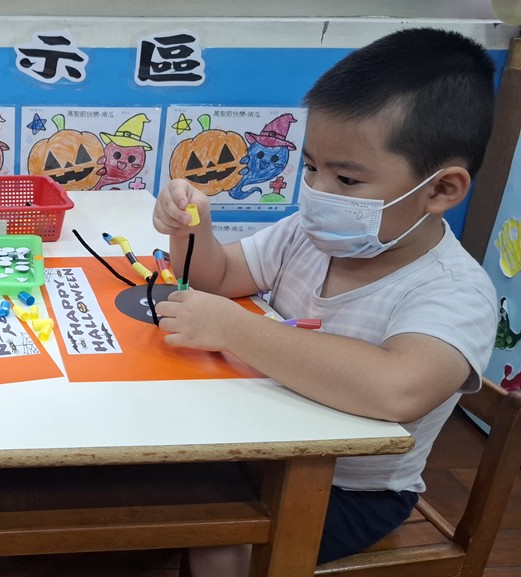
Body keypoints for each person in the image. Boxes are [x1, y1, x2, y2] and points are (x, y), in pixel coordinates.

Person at [151, 28, 498, 575]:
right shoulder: (307, 235)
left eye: (348, 178)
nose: (318, 191)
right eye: (313, 167)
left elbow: (397, 388)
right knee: (147, 479)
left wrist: (236, 331)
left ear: (440, 190)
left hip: (348, 490)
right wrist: (191, 229)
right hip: (261, 446)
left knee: (217, 537)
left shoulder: (454, 290)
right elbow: (217, 279)